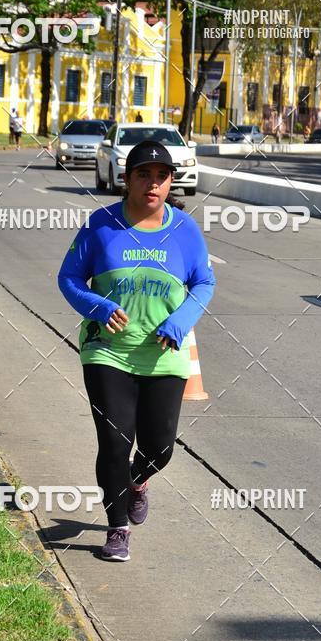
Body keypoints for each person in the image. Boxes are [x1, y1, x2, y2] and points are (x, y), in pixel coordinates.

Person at [58, 140, 216, 562]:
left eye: (161, 176)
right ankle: (117, 528)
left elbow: (204, 283)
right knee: (114, 442)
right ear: (127, 179)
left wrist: (179, 322)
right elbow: (69, 278)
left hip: (164, 353)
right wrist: (100, 306)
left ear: (170, 182)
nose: (153, 183)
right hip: (107, 352)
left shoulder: (185, 231)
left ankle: (137, 482)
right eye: (143, 174)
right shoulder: (100, 225)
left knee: (160, 448)